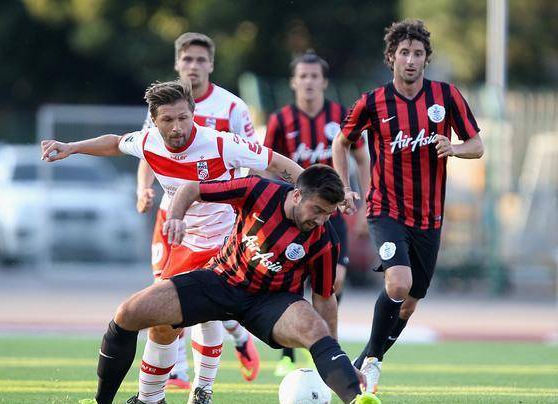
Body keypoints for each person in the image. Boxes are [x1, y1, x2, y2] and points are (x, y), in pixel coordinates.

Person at [41, 79, 303, 404]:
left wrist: (311, 192)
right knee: (162, 325)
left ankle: (202, 390)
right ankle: (152, 399)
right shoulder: (149, 142)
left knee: (206, 315)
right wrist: (71, 147)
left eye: (183, 117)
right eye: (168, 119)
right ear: (154, 120)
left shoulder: (221, 144)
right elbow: (114, 142)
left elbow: (278, 163)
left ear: (194, 114)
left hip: (227, 247)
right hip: (185, 245)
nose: (177, 127)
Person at [85, 164, 377, 404]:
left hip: (271, 302)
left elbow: (325, 299)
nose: (321, 219)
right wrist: (175, 217)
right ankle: (104, 402)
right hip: (220, 280)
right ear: (298, 195)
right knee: (128, 313)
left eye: (328, 213)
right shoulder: (258, 190)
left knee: (315, 329)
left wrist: (336, 354)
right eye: (317, 209)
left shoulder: (325, 240)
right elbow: (193, 188)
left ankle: (356, 399)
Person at [332, 19, 484, 395]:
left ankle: (368, 359)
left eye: (418, 54)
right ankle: (371, 363)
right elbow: (342, 142)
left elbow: (477, 145)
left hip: (429, 217)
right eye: (404, 53)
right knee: (399, 281)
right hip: (386, 210)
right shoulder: (372, 102)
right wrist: (345, 188)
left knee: (409, 303)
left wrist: (455, 148)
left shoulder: (447, 97)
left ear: (426, 60)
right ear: (391, 58)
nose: (411, 60)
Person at [135, 32, 260, 390]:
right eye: (187, 59)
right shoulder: (164, 106)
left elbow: (252, 157)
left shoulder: (232, 107)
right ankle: (179, 373)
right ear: (177, 63)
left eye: (200, 60)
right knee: (164, 294)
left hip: (218, 222)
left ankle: (205, 376)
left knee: (206, 301)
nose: (193, 66)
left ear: (212, 65)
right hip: (172, 217)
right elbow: (145, 149)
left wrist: (236, 201)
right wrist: (142, 187)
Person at [264, 50, 370, 376]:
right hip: (293, 217)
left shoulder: (341, 115)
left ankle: (324, 346)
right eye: (303, 76)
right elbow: (268, 166)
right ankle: (287, 355)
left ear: (323, 81)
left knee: (334, 281)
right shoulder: (280, 120)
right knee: (290, 280)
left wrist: (365, 204)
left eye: (315, 76)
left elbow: (363, 159)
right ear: (294, 82)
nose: (309, 82)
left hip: (334, 215)